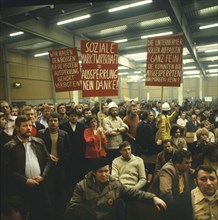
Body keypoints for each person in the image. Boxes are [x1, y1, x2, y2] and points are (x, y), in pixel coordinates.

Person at [65, 157, 167, 220]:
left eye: (106, 171)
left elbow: (133, 192)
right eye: (100, 172)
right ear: (94, 173)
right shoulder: (82, 186)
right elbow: (72, 207)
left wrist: (153, 198)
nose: (104, 175)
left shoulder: (115, 185)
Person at [1, 115, 53, 220]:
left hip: (40, 185)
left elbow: (48, 160)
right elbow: (6, 170)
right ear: (16, 127)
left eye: (30, 125)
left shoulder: (39, 141)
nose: (29, 128)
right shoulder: (9, 146)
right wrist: (25, 180)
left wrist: (42, 176)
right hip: (20, 188)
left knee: (45, 213)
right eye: (25, 126)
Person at [37, 112, 72, 219]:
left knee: (60, 190)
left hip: (60, 166)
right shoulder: (41, 134)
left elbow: (69, 152)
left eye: (55, 120)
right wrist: (48, 156)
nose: (53, 123)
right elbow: (38, 150)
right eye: (51, 121)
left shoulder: (64, 134)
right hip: (45, 167)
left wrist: (60, 159)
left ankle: (60, 213)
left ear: (59, 122)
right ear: (47, 122)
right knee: (48, 190)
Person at [148, 149, 194, 219]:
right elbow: (166, 194)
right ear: (176, 163)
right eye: (187, 163)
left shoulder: (184, 168)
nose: (190, 165)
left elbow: (196, 172)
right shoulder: (167, 170)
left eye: (190, 162)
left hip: (177, 202)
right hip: (158, 206)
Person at [60, 108, 86, 189]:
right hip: (68, 155)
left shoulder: (82, 126)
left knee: (80, 175)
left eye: (75, 116)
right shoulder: (63, 126)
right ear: (68, 117)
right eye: (71, 116)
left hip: (80, 155)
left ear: (77, 117)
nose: (73, 117)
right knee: (69, 176)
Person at [135, 110, 162, 179]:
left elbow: (152, 130)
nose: (152, 117)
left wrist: (157, 125)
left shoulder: (141, 124)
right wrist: (157, 143)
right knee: (151, 168)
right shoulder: (146, 126)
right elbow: (151, 140)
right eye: (150, 115)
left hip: (142, 149)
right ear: (146, 116)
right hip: (148, 150)